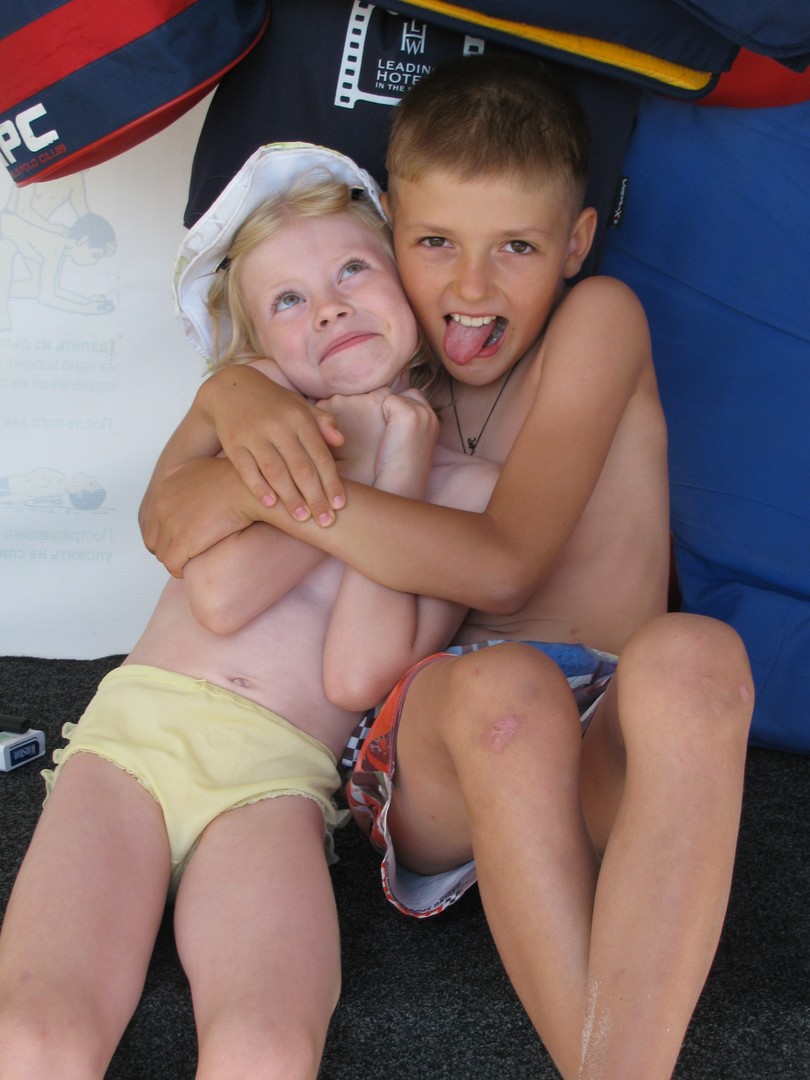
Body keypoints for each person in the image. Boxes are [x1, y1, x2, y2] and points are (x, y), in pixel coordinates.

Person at [140, 57, 754, 1079]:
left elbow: (506, 566)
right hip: (445, 747)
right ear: (391, 239)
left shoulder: (597, 321)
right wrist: (228, 399)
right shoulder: (379, 364)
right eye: (435, 244)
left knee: (697, 654)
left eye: (516, 245)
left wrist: (273, 484)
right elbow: (171, 524)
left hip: (602, 732)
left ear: (576, 243)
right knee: (507, 688)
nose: (471, 286)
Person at [0, 143, 498, 1080]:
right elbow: (222, 595)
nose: (331, 308)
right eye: (289, 301)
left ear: (407, 279)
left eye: (353, 270)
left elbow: (357, 674)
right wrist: (354, 457)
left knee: (265, 1046)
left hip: (275, 782)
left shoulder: (470, 493)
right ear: (259, 345)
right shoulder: (263, 407)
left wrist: (398, 469)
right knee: (37, 1033)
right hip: (132, 743)